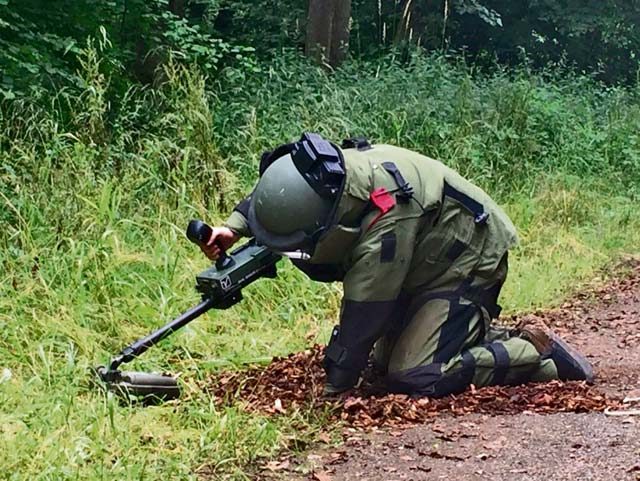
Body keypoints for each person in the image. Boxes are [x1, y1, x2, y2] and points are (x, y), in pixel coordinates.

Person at [201, 133, 594, 396]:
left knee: (414, 373)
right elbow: (283, 186)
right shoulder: (324, 174)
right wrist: (234, 227)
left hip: (467, 260)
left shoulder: (384, 227)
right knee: (384, 362)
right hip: (425, 256)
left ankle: (534, 355)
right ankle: (471, 331)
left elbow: (362, 317)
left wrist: (335, 388)